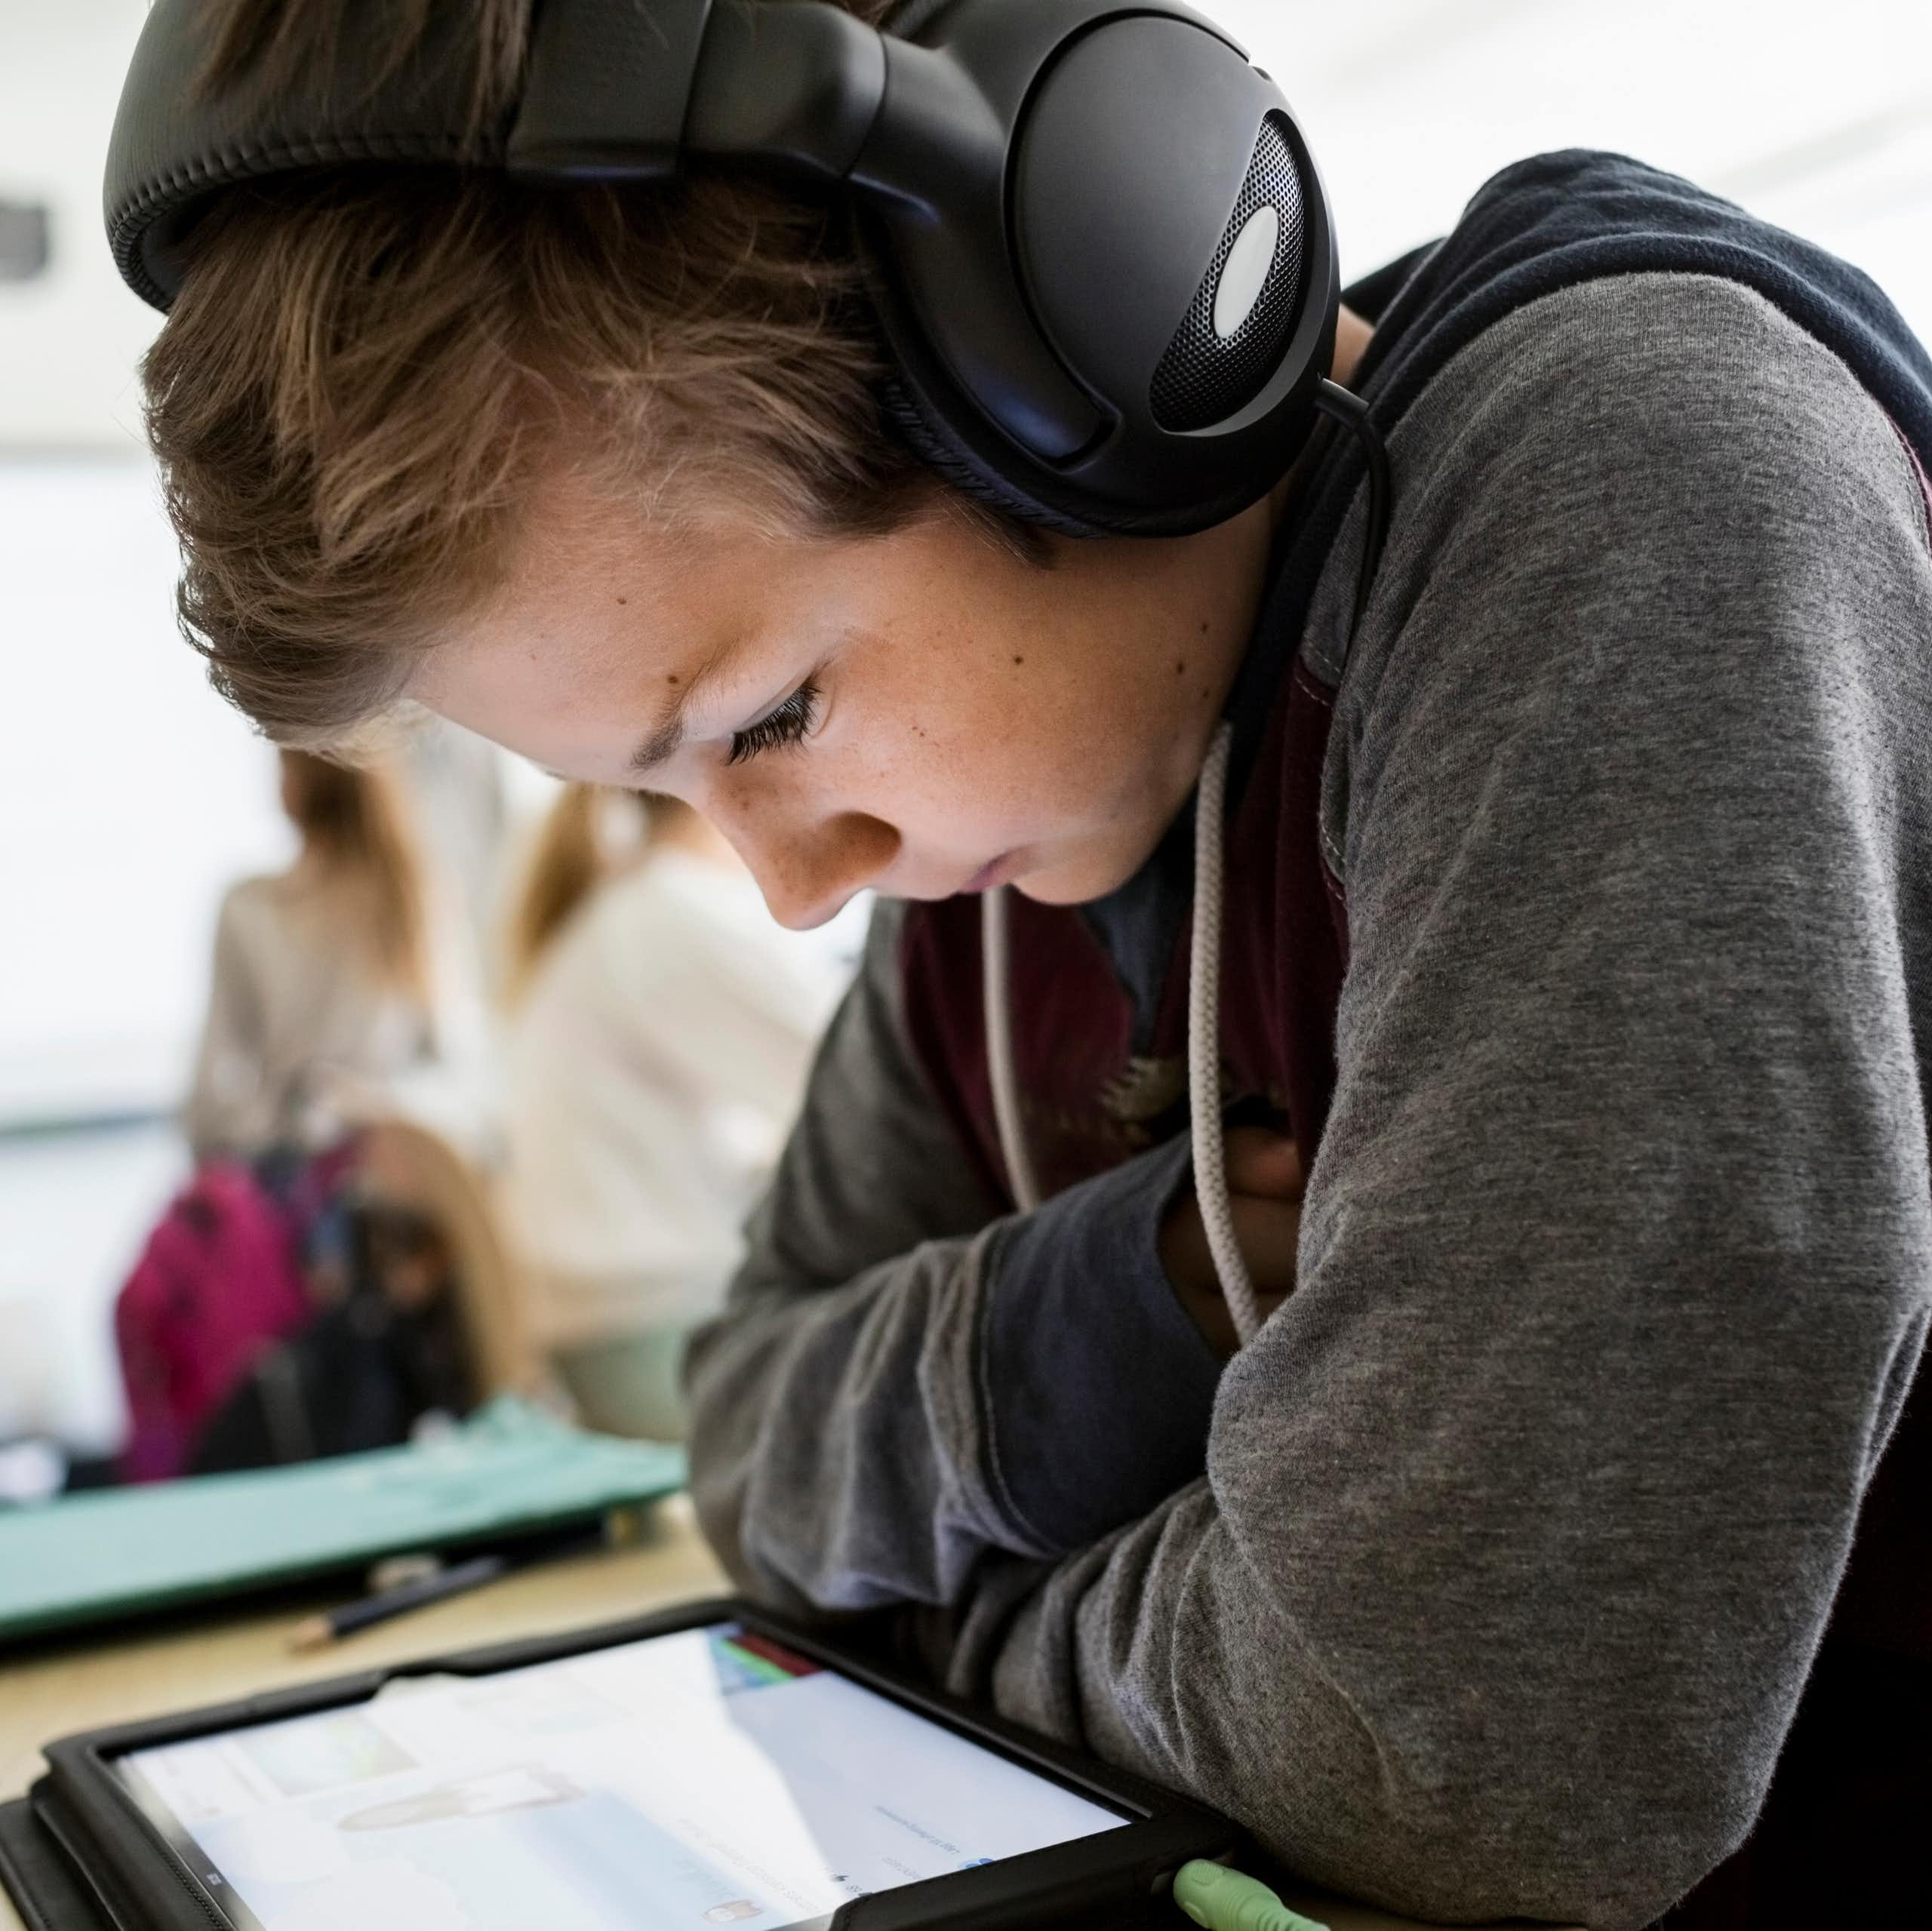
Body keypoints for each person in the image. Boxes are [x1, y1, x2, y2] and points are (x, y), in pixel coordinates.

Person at [113, 2, 1932, 1924]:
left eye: (769, 713)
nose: (796, 887)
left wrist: (921, 1640)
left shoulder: (1628, 492)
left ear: (1071, 319)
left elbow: (1442, 1746)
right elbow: (746, 1437)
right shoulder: (1014, 827)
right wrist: (1107, 1309)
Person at [499, 785, 847, 1439]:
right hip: (662, 1337)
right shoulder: (672, 911)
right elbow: (863, 1074)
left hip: (610, 1340)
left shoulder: (623, 910)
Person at [183, 750, 447, 1162]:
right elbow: (449, 1067)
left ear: (294, 783)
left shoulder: (249, 907)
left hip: (297, 1171)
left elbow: (208, 1100)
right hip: (388, 1170)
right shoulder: (413, 899)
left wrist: (290, 1122)